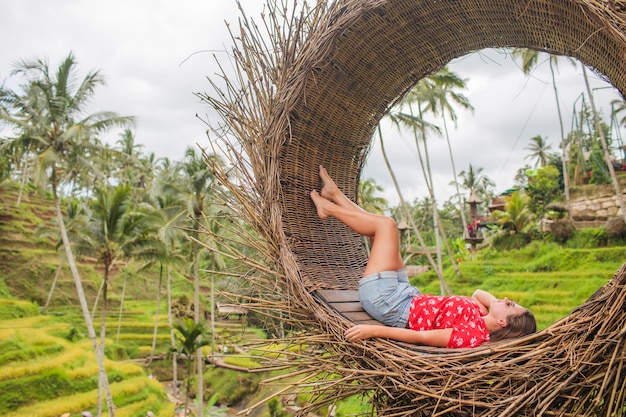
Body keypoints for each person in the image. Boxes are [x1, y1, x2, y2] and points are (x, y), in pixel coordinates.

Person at [310, 166, 536, 348]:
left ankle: (328, 209)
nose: (507, 299)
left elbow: (424, 338)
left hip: (389, 304)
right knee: (378, 233)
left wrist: (374, 331)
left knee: (386, 226)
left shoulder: (471, 335)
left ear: (502, 322)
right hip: (405, 294)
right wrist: (496, 304)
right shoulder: (481, 314)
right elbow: (479, 293)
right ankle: (335, 196)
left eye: (511, 305)